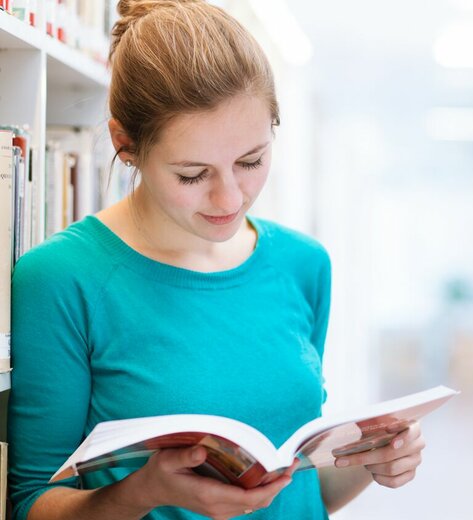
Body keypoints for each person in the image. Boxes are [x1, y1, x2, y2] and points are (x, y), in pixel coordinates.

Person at [6, 1, 426, 519]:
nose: (230, 198)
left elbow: (298, 495)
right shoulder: (63, 278)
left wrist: (375, 461)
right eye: (191, 174)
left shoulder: (303, 263)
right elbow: (31, 505)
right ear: (125, 145)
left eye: (251, 161)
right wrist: (145, 491)